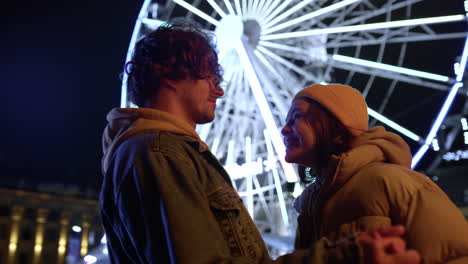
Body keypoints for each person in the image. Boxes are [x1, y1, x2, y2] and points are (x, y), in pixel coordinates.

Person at [99, 23, 420, 263]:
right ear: (170, 74)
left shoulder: (159, 151)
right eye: (210, 76)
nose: (219, 90)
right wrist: (344, 256)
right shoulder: (160, 152)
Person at [281, 83, 468, 263]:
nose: (284, 130)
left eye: (296, 118)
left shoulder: (390, 182)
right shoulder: (308, 206)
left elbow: (457, 252)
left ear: (337, 129)